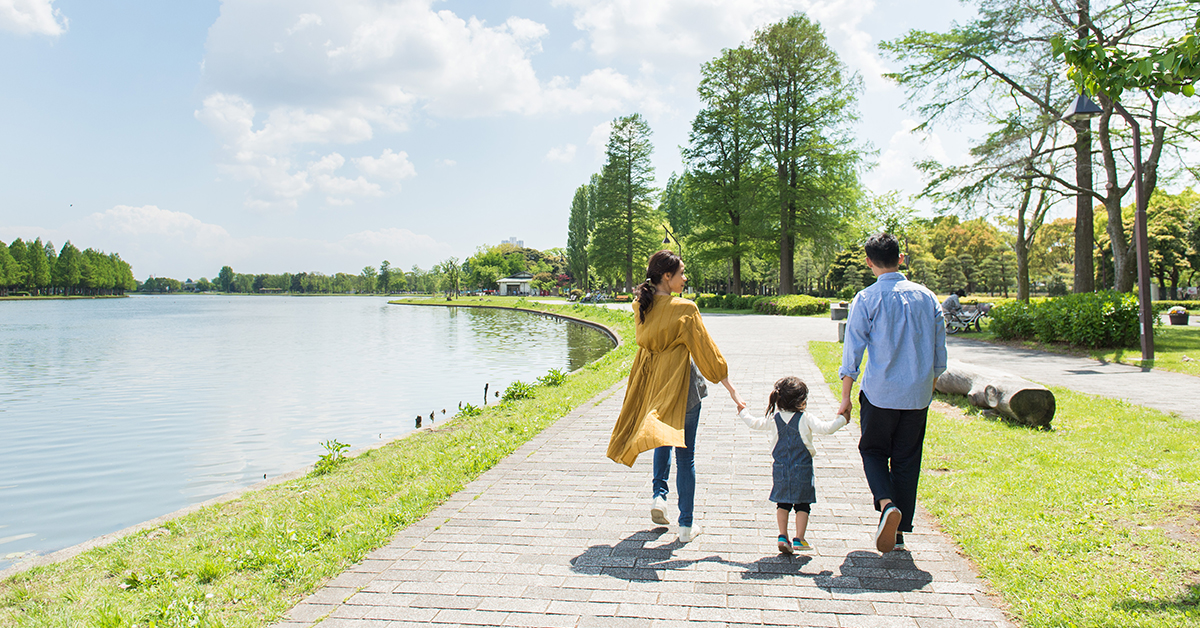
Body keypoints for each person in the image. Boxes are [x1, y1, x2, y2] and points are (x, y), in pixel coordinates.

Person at [607, 250, 747, 543]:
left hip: (655, 385)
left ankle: (659, 496)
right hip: (684, 387)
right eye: (681, 273)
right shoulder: (685, 309)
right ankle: (686, 526)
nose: (685, 278)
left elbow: (645, 346)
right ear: (666, 276)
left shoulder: (640, 306)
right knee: (686, 456)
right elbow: (707, 352)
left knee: (661, 436)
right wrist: (732, 390)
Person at [838, 233, 947, 554]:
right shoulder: (927, 298)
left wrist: (845, 398)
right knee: (906, 459)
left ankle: (887, 506)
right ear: (901, 259)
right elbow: (940, 355)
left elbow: (852, 353)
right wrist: (929, 387)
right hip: (917, 395)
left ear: (869, 262)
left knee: (872, 451)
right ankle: (898, 532)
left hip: (879, 393)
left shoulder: (867, 299)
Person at [738, 376, 847, 554]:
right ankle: (799, 539)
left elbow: (754, 423)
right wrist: (842, 419)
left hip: (780, 470)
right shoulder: (806, 418)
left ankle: (782, 536)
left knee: (783, 503)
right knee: (803, 505)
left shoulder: (775, 418)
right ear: (801, 400)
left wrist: (743, 411)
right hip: (802, 470)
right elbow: (827, 428)